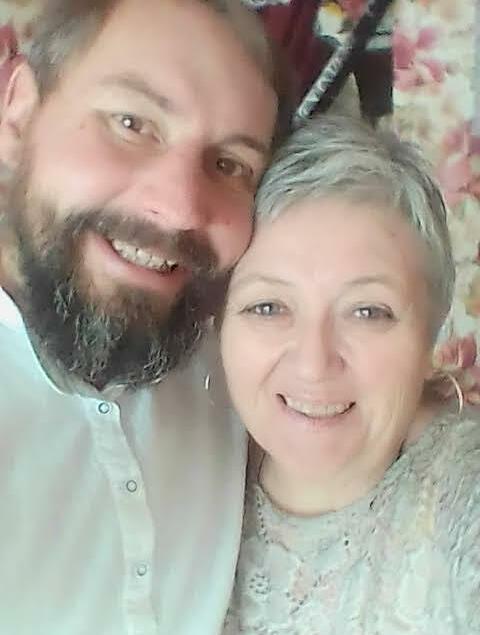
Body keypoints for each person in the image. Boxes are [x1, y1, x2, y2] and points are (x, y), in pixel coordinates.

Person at [0, 1, 290, 633]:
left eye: (230, 165)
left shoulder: (244, 365)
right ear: (18, 111)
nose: (180, 209)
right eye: (132, 123)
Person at [221, 115, 480, 634]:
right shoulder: (172, 468)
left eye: (368, 312)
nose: (313, 363)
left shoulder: (462, 495)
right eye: (268, 307)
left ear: (431, 336)